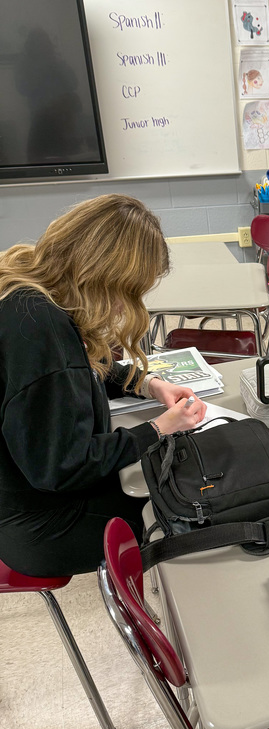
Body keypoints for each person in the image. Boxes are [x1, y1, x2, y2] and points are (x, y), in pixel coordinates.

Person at [0, 194, 208, 578]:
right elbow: (64, 465)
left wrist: (148, 384)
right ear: (105, 279)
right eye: (130, 292)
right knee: (189, 507)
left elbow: (79, 370)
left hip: (32, 494)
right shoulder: (40, 330)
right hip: (41, 524)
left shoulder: (31, 288)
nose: (127, 306)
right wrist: (158, 428)